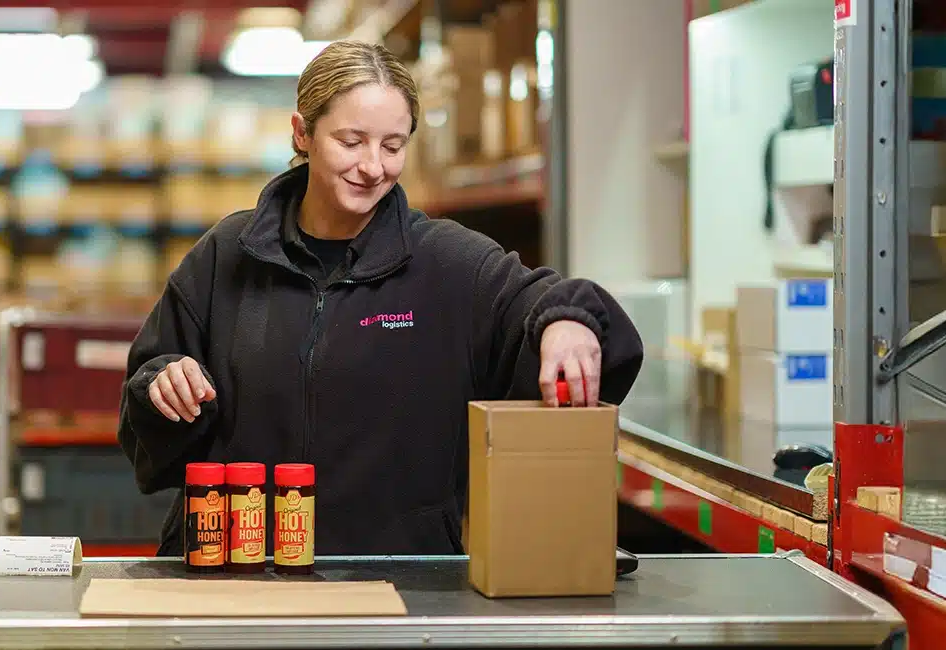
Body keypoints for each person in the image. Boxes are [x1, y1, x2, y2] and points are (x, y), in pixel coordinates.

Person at [118, 40, 645, 557]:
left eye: (392, 146)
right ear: (302, 133)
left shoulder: (448, 261)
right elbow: (148, 398)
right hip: (236, 571)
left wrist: (568, 319)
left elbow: (550, 302)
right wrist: (163, 383)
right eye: (352, 141)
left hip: (399, 581)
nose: (373, 166)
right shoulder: (226, 255)